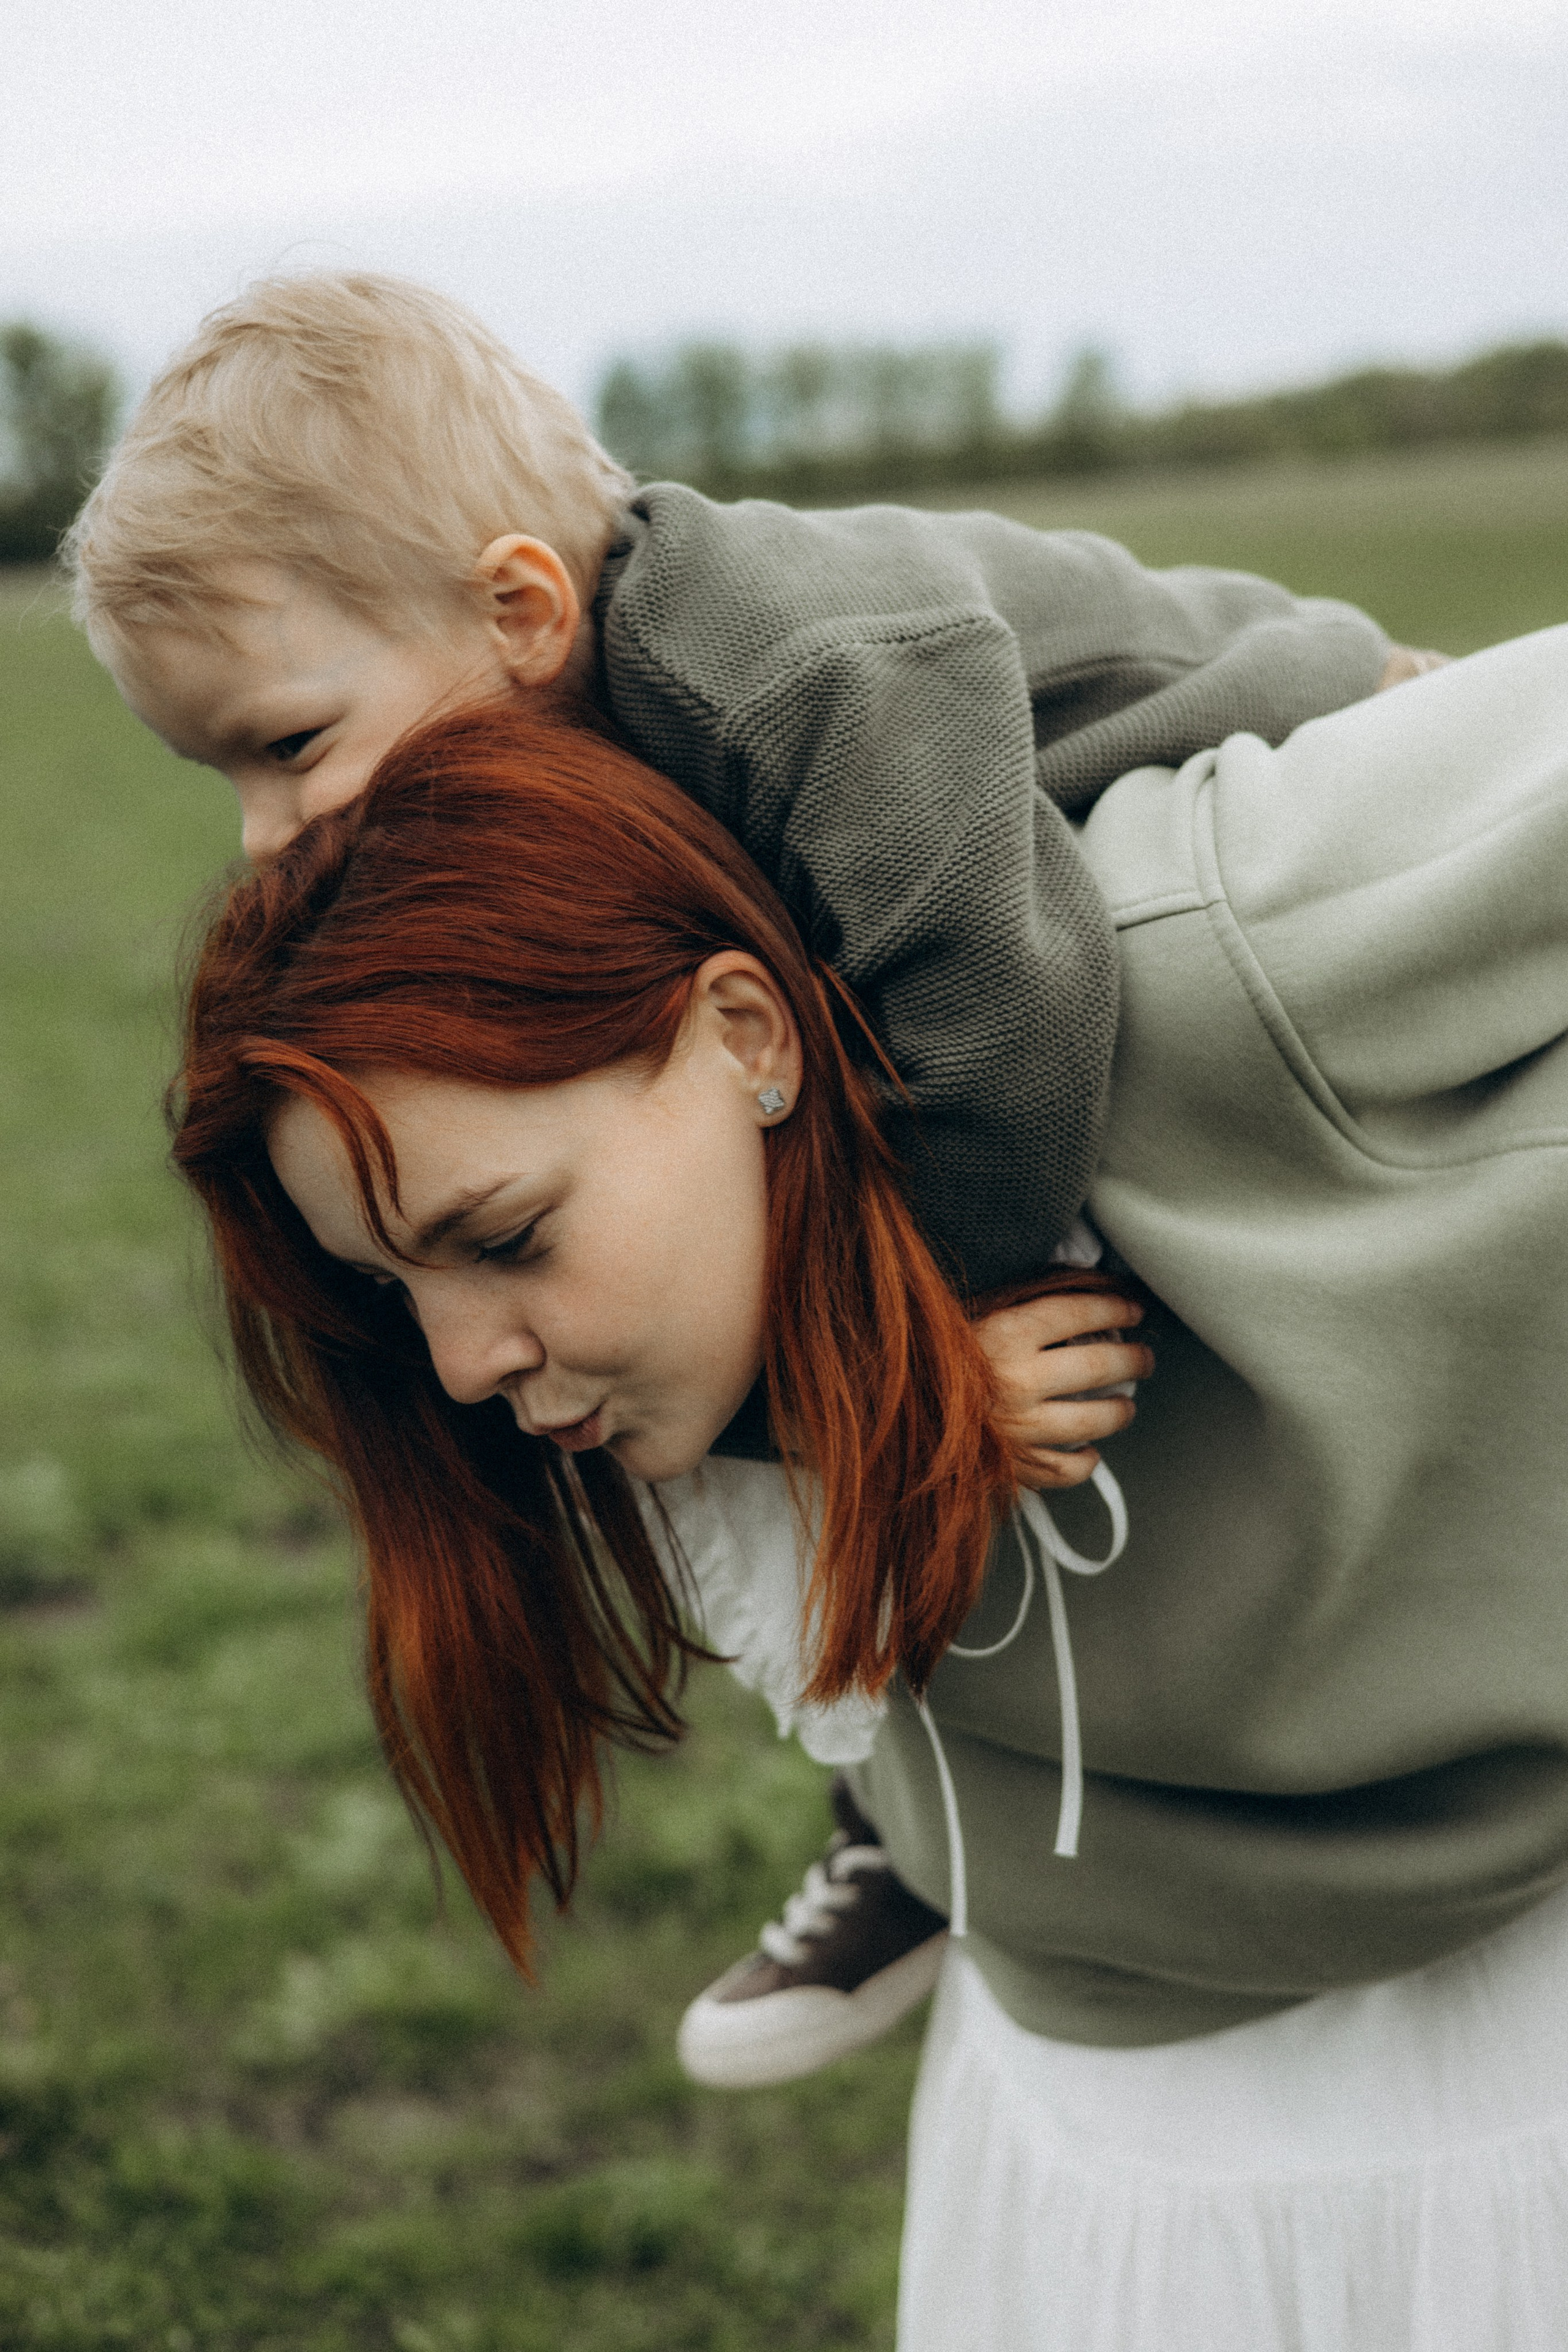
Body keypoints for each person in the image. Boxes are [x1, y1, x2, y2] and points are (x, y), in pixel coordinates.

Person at [67, 267, 1440, 2081]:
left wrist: (914, 1350)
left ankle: (932, 1803)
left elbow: (1000, 1012)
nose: (267, 837)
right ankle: (911, 1809)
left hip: (1342, 734)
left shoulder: (784, 671)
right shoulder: (570, 737)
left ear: (520, 610)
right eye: (225, 776)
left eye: (290, 747)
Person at [170, 643, 1568, 2349]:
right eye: (395, 1292)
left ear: (743, 1034)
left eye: (508, 1238)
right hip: (1080, 2114)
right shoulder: (661, 1369)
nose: (461, 1366)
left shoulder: (1197, 953)